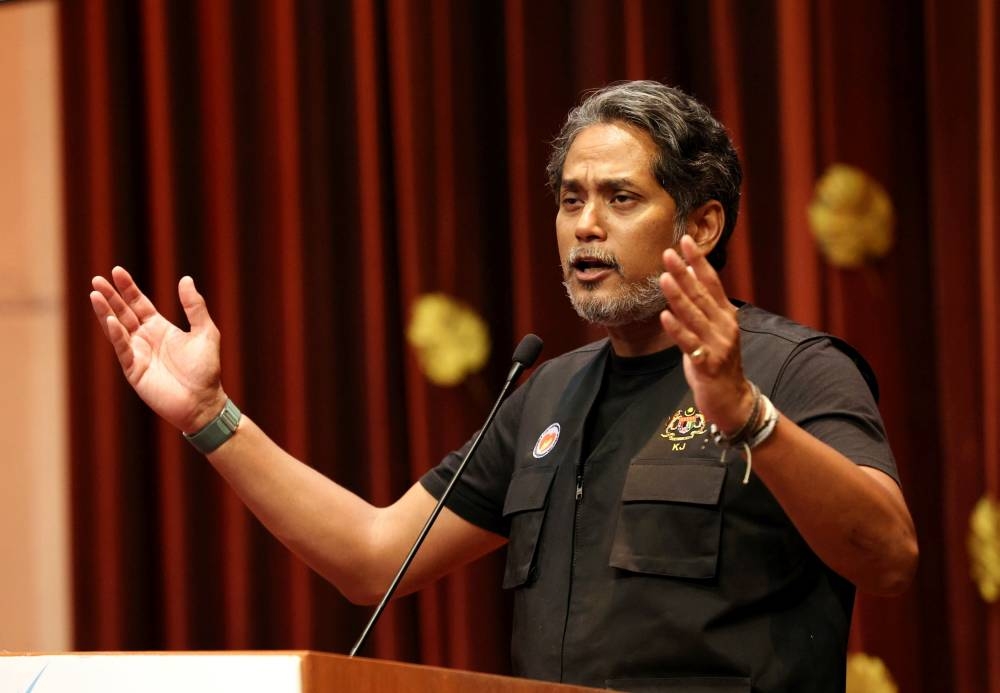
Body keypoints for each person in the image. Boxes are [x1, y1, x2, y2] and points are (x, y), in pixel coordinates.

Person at [90, 80, 917, 692]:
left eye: (620, 198)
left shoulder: (791, 369)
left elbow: (888, 556)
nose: (585, 225)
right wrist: (211, 417)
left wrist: (749, 418)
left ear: (701, 224)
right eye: (570, 199)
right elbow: (375, 558)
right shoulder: (544, 395)